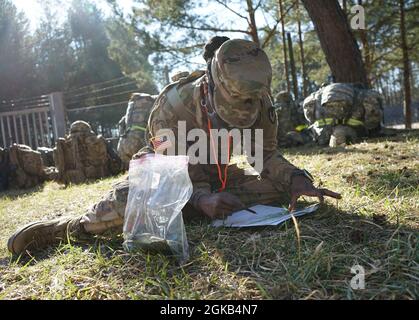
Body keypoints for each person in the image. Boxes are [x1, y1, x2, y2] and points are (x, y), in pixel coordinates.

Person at [7, 37, 342, 255]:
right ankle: (69, 228)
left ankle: (195, 212)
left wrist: (295, 178)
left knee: (281, 185)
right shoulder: (172, 107)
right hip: (167, 174)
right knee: (132, 201)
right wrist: (201, 197)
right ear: (210, 87)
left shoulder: (259, 99)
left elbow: (264, 154)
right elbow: (172, 167)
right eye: (228, 112)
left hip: (218, 175)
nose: (238, 118)